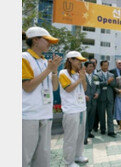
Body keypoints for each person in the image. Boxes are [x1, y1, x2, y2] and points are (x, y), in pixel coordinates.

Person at [22, 26, 61, 167]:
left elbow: (55, 87)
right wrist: (49, 70)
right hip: (29, 115)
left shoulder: (45, 61)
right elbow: (28, 86)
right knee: (25, 156)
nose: (49, 44)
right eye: (47, 40)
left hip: (45, 113)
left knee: (43, 154)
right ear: (35, 40)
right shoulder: (24, 58)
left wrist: (54, 71)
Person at [59, 51, 88, 167]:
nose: (80, 62)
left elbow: (84, 88)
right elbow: (68, 89)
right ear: (70, 60)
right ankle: (69, 161)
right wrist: (79, 80)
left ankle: (78, 155)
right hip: (70, 110)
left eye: (81, 60)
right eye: (77, 60)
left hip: (81, 107)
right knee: (70, 137)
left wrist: (82, 78)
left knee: (80, 135)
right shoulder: (63, 73)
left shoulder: (78, 74)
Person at [97, 60, 117, 137]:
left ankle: (111, 131)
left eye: (107, 65)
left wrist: (110, 82)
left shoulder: (112, 75)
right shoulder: (97, 75)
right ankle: (102, 129)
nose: (105, 67)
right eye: (104, 65)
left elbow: (114, 84)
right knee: (102, 115)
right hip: (101, 98)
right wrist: (107, 82)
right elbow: (97, 84)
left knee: (110, 115)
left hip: (109, 97)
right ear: (101, 66)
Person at [84, 61, 100, 145]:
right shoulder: (82, 77)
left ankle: (89, 132)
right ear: (85, 67)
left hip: (93, 101)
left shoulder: (95, 77)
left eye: (92, 67)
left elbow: (98, 87)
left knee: (91, 118)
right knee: (85, 119)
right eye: (89, 66)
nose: (91, 68)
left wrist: (97, 93)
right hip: (85, 101)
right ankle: (84, 137)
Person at [110, 59, 121, 126]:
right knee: (112, 107)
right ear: (116, 64)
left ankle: (119, 121)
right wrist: (115, 89)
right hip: (113, 92)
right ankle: (111, 121)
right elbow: (111, 82)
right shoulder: (111, 71)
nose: (120, 65)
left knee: (119, 107)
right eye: (119, 63)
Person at [90, 58, 101, 132]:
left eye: (94, 63)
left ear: (96, 64)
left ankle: (95, 127)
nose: (93, 64)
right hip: (88, 97)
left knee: (97, 113)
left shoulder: (97, 73)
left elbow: (98, 86)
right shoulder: (85, 73)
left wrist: (97, 92)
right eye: (91, 63)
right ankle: (89, 128)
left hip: (97, 97)